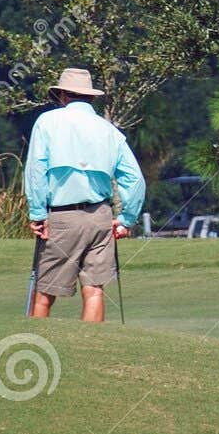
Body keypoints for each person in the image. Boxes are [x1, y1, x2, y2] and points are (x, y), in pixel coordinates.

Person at [24, 68, 145, 322]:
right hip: (101, 216)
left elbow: (36, 170)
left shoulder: (47, 122)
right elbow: (134, 180)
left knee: (45, 291)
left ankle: (32, 343)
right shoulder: (109, 130)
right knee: (94, 290)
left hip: (62, 217)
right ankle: (92, 351)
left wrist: (37, 213)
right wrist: (126, 220)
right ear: (90, 97)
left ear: (63, 96)